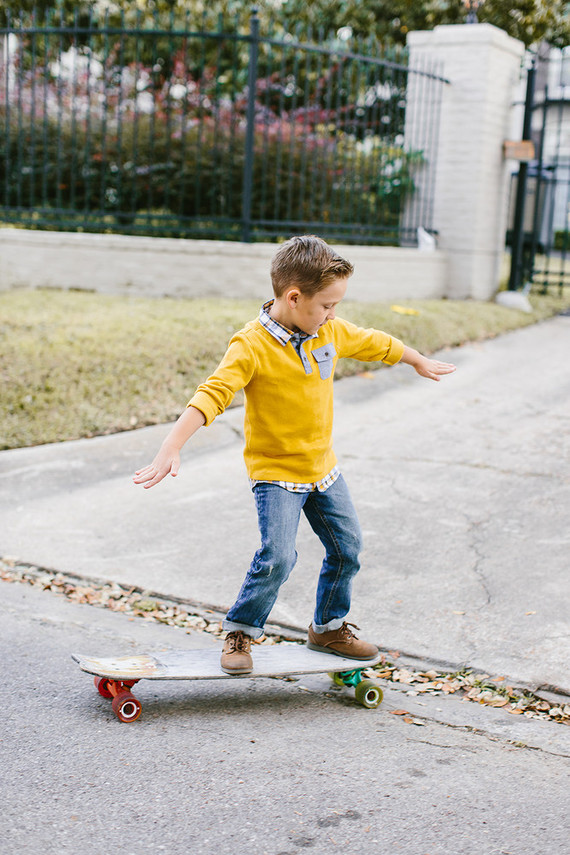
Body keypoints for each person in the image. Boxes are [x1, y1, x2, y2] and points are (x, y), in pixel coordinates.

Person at [133, 235, 456, 674]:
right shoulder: (250, 345)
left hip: (322, 469)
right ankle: (242, 632)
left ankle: (328, 627)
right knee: (278, 557)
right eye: (326, 305)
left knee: (348, 549)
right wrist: (171, 445)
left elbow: (374, 342)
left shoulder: (330, 330)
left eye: (336, 306)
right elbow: (214, 392)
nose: (333, 315)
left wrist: (415, 359)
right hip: (276, 473)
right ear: (293, 296)